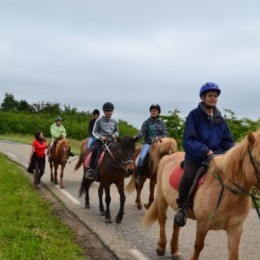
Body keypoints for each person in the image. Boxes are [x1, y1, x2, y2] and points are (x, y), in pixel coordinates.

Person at [174, 82, 235, 227]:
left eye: (215, 96)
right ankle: (182, 209)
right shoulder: (194, 115)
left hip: (218, 156)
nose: (213, 98)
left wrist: (235, 150)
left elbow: (227, 140)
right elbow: (188, 140)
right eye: (210, 96)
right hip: (197, 156)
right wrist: (204, 150)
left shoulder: (220, 119)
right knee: (188, 176)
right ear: (203, 97)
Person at [134, 104, 167, 185]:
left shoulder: (162, 123)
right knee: (141, 158)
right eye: (152, 111)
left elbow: (165, 134)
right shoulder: (146, 122)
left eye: (155, 111)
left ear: (158, 112)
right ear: (150, 112)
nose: (154, 112)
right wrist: (136, 137)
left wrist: (158, 138)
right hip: (148, 143)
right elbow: (142, 132)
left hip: (159, 144)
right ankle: (139, 175)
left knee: (167, 156)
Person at [85, 102, 119, 179]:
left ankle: (121, 171)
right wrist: (101, 137)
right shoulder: (99, 120)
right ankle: (91, 170)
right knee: (95, 150)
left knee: (120, 151)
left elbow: (117, 131)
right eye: (107, 111)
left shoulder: (114, 121)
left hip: (111, 141)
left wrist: (115, 135)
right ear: (104, 111)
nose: (109, 112)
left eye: (110, 111)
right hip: (101, 141)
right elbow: (94, 131)